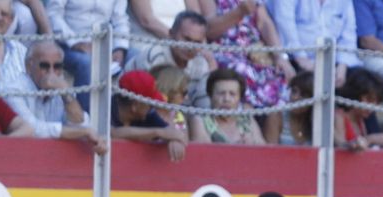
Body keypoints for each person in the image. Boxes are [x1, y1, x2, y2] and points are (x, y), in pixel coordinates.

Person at [198, 0, 295, 143]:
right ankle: (246, 137)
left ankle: (270, 149)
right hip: (225, 51)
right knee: (242, 72)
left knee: (279, 76)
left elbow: (264, 23)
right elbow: (209, 30)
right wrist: (239, 12)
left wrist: (279, 57)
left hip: (256, 52)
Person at [110, 69, 188, 161]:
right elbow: (112, 133)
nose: (153, 107)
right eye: (149, 103)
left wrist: (174, 140)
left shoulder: (148, 114)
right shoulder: (106, 108)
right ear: (135, 106)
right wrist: (157, 132)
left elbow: (173, 133)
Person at [189, 67, 266, 145]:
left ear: (239, 98)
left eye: (232, 94)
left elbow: (262, 148)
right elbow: (204, 151)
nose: (226, 99)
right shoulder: (200, 121)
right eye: (221, 93)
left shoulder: (248, 120)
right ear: (210, 95)